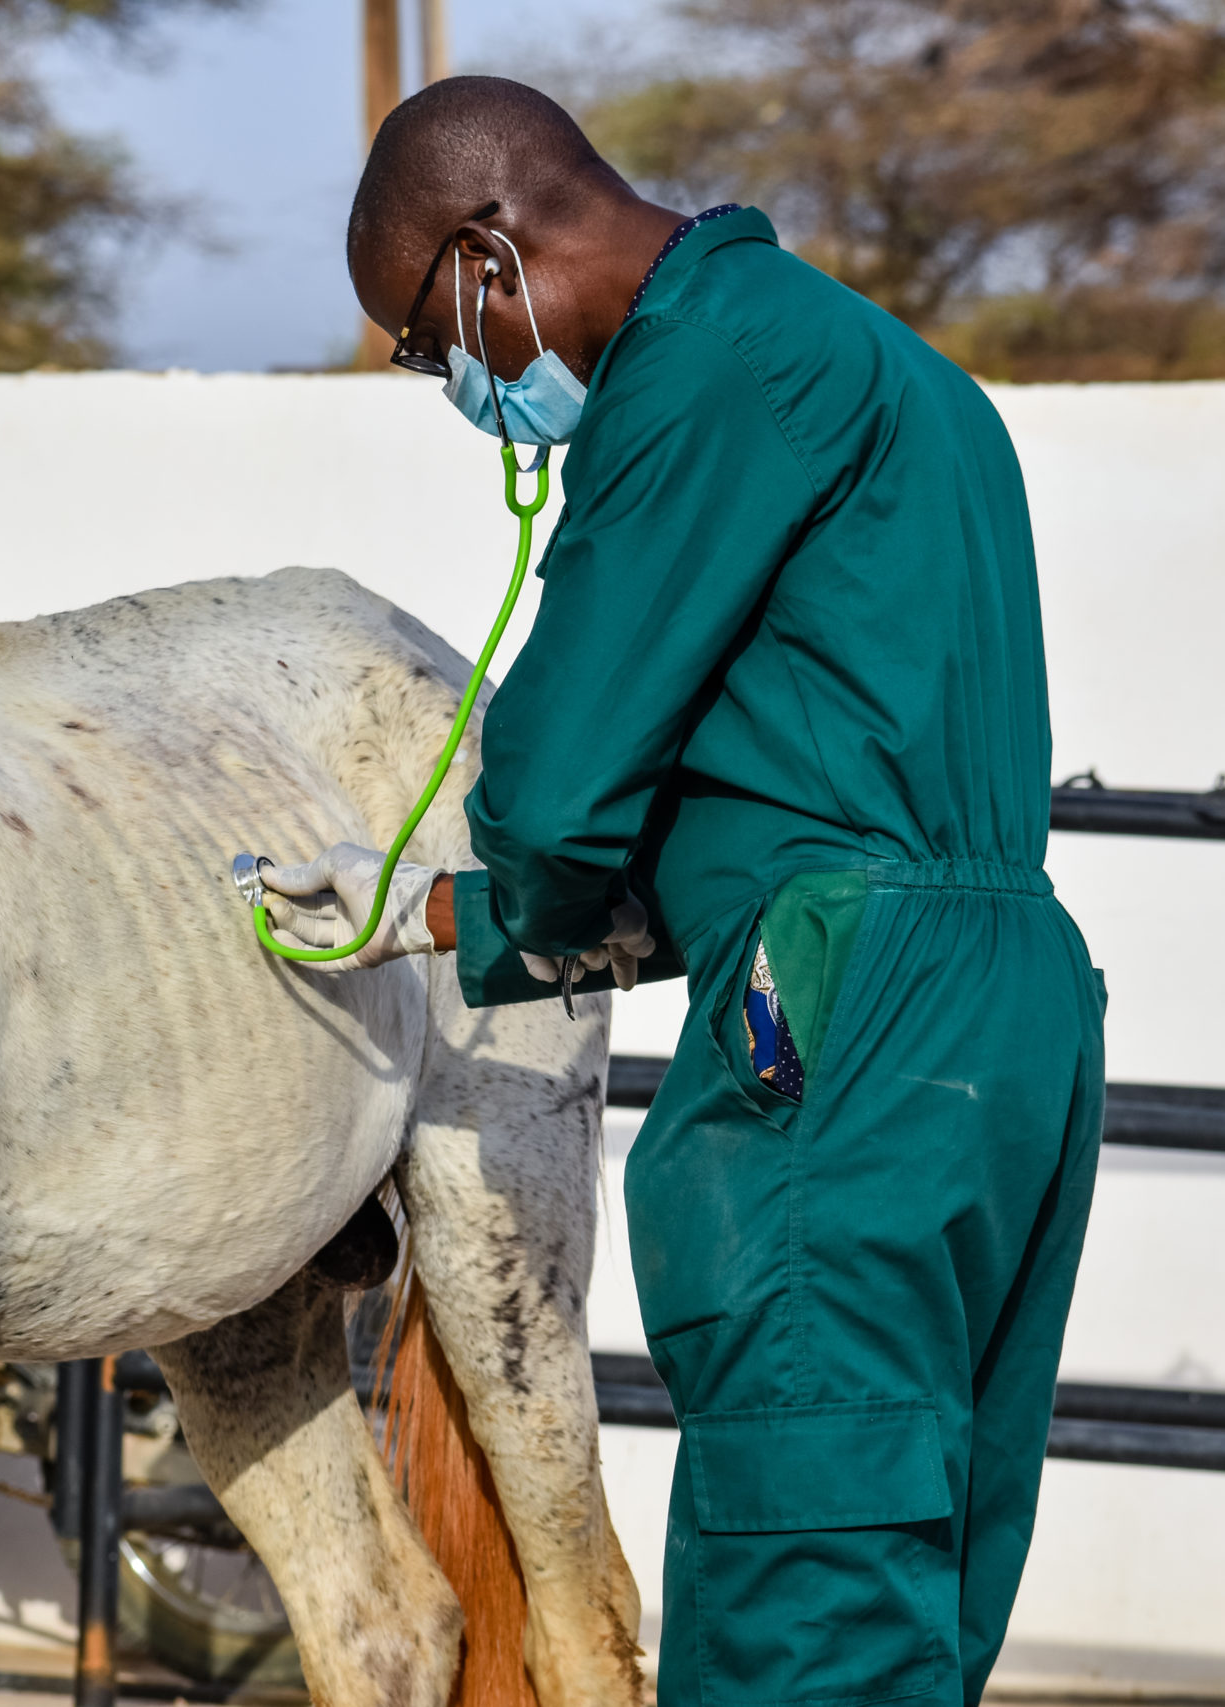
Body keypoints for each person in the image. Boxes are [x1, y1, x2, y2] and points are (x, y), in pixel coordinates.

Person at [261, 75, 1105, 1707]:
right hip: (1004, 1021)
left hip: (843, 1042)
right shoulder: (903, 382)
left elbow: (565, 783)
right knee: (910, 1588)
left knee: (805, 1608)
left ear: (487, 258)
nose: (455, 386)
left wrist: (505, 850)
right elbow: (801, 811)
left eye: (433, 345)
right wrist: (428, 917)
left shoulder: (705, 369)